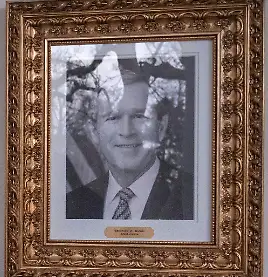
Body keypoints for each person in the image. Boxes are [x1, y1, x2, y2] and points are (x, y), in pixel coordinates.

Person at [66, 68, 194, 220]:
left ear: (161, 127)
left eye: (139, 116)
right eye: (113, 117)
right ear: (96, 130)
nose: (126, 131)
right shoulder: (72, 206)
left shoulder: (196, 198)